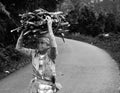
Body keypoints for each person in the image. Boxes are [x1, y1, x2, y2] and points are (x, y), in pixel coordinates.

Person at [15, 16, 62, 93]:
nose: (39, 45)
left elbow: (54, 45)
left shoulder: (51, 55)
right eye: (38, 42)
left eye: (42, 43)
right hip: (36, 87)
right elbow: (18, 48)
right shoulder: (34, 53)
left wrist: (49, 28)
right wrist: (22, 35)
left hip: (48, 87)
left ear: (48, 45)